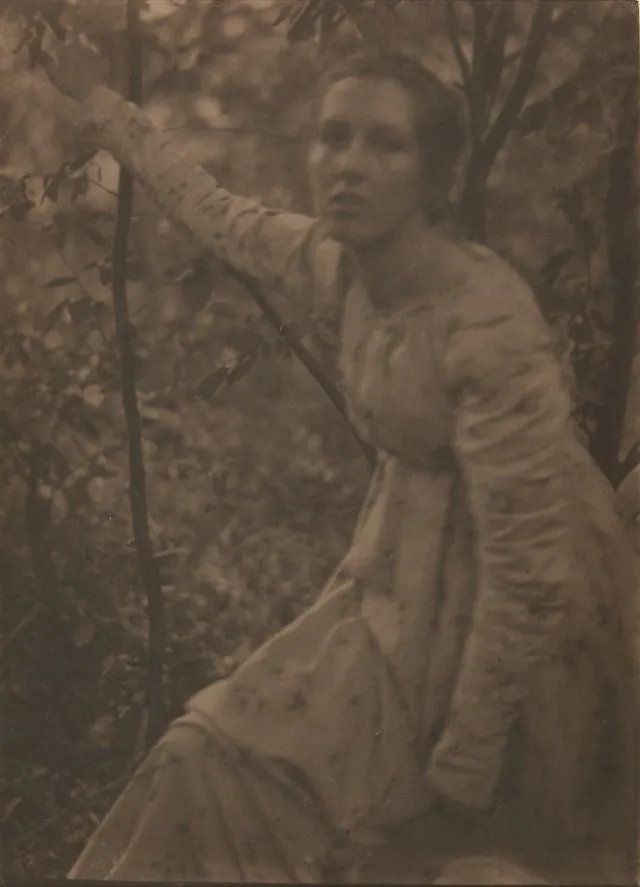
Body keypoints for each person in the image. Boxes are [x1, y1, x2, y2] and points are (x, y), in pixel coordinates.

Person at [41, 44, 638, 884]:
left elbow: (531, 575)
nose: (350, 166)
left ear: (433, 178)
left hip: (528, 633)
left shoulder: (487, 326)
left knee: (433, 850)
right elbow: (217, 213)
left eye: (385, 145)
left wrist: (465, 756)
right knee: (205, 754)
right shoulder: (340, 267)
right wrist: (99, 101)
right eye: (334, 137)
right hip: (406, 578)